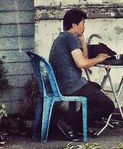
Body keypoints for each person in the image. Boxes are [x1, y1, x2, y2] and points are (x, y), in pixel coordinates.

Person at [49, 8, 115, 140]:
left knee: (95, 87)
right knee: (109, 106)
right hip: (71, 86)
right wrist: (100, 58)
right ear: (74, 25)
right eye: (83, 23)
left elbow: (83, 58)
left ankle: (77, 125)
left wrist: (83, 41)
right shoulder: (69, 39)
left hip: (64, 84)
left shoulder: (64, 38)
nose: (84, 26)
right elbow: (82, 64)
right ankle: (70, 123)